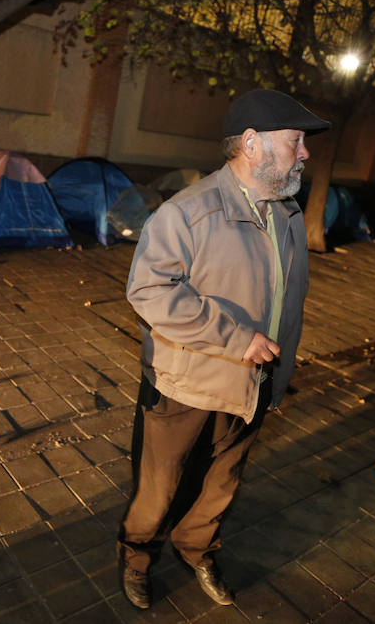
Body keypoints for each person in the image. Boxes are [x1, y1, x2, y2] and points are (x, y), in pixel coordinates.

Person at [117, 89, 330, 609]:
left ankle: (198, 550)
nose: (305, 152)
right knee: (159, 489)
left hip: (253, 385)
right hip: (186, 385)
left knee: (221, 484)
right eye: (296, 140)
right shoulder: (187, 212)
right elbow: (149, 291)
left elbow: (287, 300)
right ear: (252, 144)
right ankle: (137, 560)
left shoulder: (287, 214)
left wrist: (278, 374)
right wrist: (236, 338)